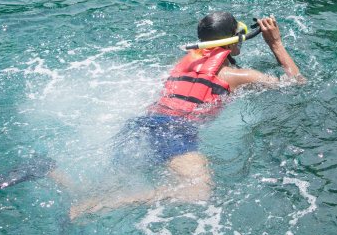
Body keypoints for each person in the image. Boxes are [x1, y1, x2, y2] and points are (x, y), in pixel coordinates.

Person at [67, 13, 304, 218]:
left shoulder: (185, 63)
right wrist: (275, 44)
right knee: (198, 193)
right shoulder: (238, 76)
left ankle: (65, 183)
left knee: (110, 182)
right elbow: (296, 83)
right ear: (232, 41)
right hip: (175, 132)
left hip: (140, 125)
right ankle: (104, 204)